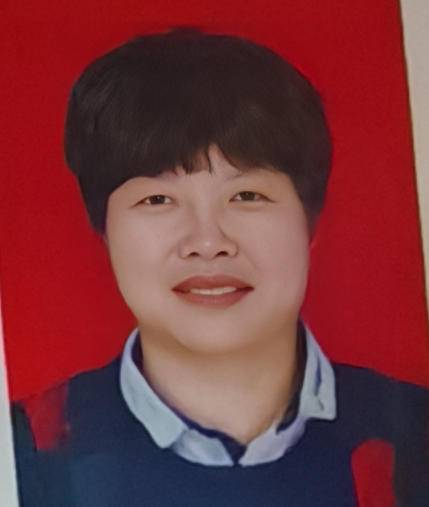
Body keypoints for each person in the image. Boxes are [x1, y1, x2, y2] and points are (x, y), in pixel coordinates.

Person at [11, 27, 429, 506]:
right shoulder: (28, 449)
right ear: (104, 228)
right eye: (157, 199)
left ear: (310, 221)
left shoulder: (413, 435)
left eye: (247, 195)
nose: (208, 243)